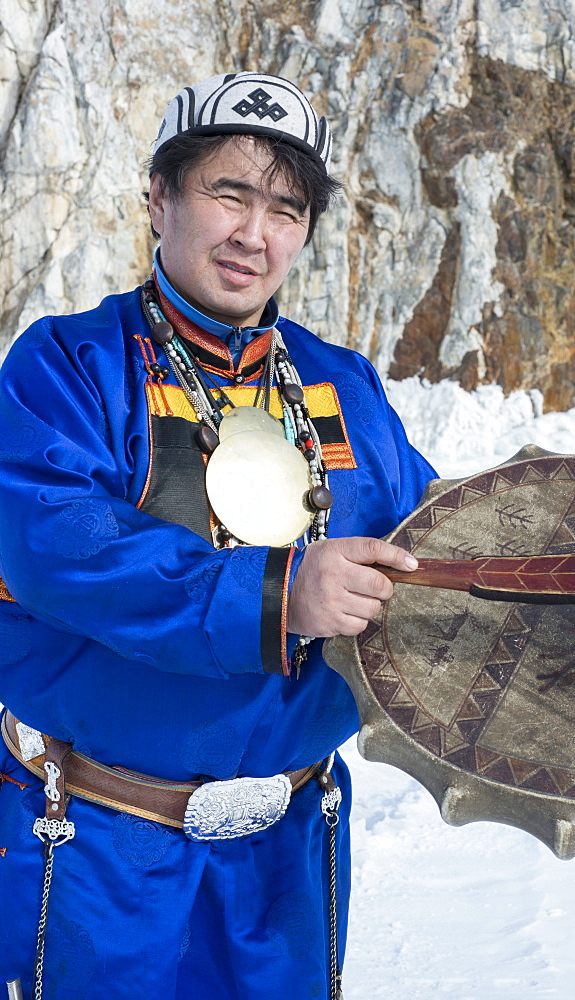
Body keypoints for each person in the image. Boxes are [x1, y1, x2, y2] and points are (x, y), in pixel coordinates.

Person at [0, 72, 436, 999]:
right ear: (159, 198)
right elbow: (59, 547)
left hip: (290, 847)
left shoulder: (343, 385)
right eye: (226, 191)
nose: (254, 232)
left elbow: (429, 545)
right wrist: (279, 594)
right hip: (96, 843)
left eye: (285, 206)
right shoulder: (68, 365)